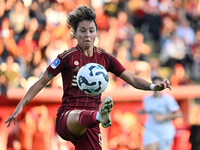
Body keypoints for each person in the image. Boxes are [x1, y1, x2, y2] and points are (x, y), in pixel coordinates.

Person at [5, 5, 171, 150]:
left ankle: (98, 117)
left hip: (91, 126)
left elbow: (133, 80)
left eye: (91, 31)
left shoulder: (105, 58)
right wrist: (20, 105)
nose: (87, 35)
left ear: (96, 33)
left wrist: (152, 87)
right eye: (82, 31)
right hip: (67, 119)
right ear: (75, 33)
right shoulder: (66, 57)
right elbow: (41, 82)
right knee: (81, 114)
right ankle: (99, 116)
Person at [138, 76, 182, 150]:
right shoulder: (146, 99)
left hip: (164, 131)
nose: (157, 86)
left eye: (159, 84)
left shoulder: (168, 99)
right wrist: (142, 111)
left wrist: (163, 117)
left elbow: (178, 114)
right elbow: (149, 110)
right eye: (155, 84)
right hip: (150, 130)